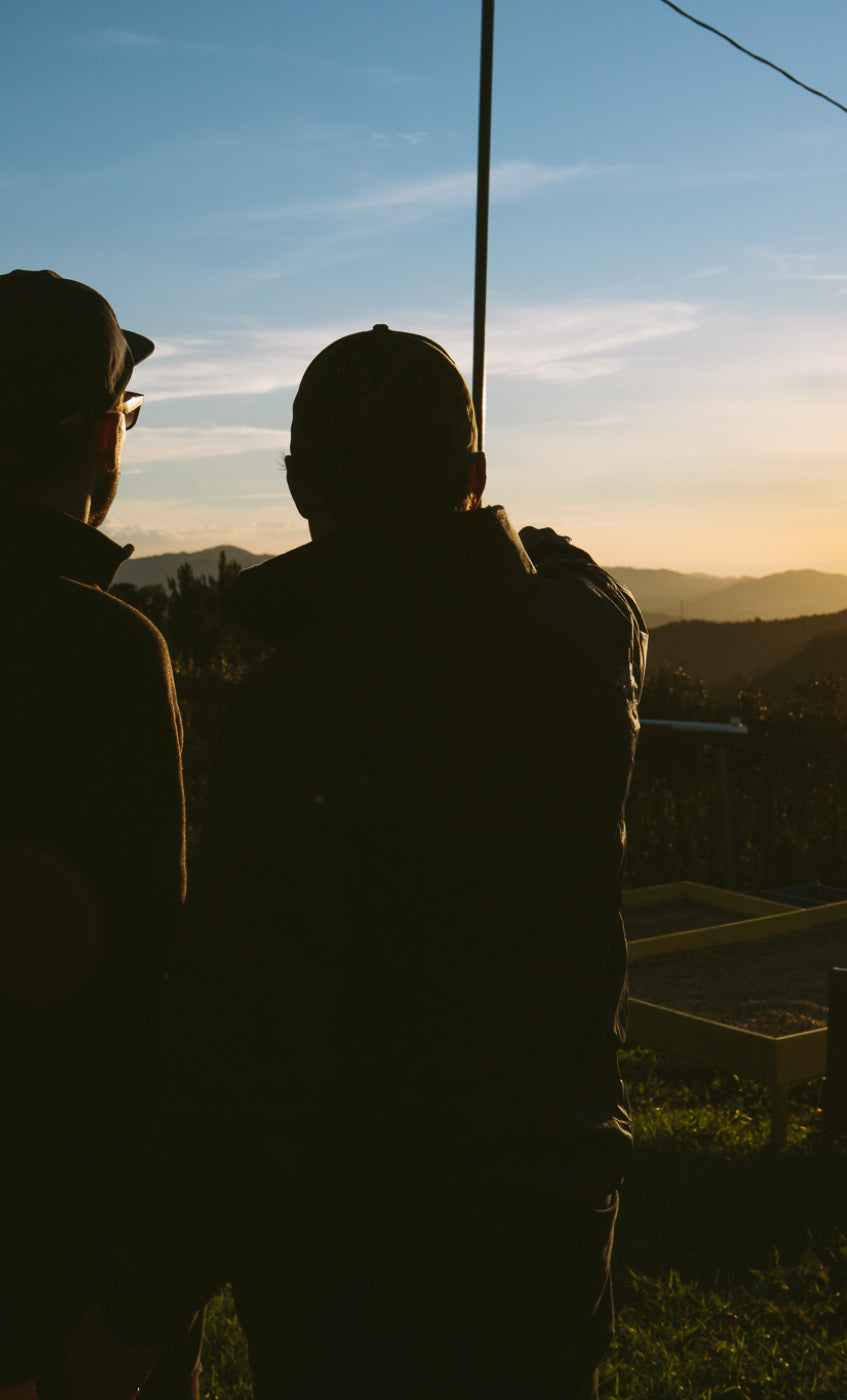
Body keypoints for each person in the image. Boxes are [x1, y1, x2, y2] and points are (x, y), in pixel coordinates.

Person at [97, 325, 646, 1398]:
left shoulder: (295, 712)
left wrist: (140, 1298)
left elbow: (245, 1041)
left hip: (351, 1256)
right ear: (474, 475)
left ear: (301, 483)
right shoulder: (588, 644)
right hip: (550, 1213)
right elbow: (586, 587)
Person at [0, 271, 203, 1398]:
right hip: (53, 1232)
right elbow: (136, 986)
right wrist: (135, 1290)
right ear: (94, 434)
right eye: (124, 412)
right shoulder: (108, 654)